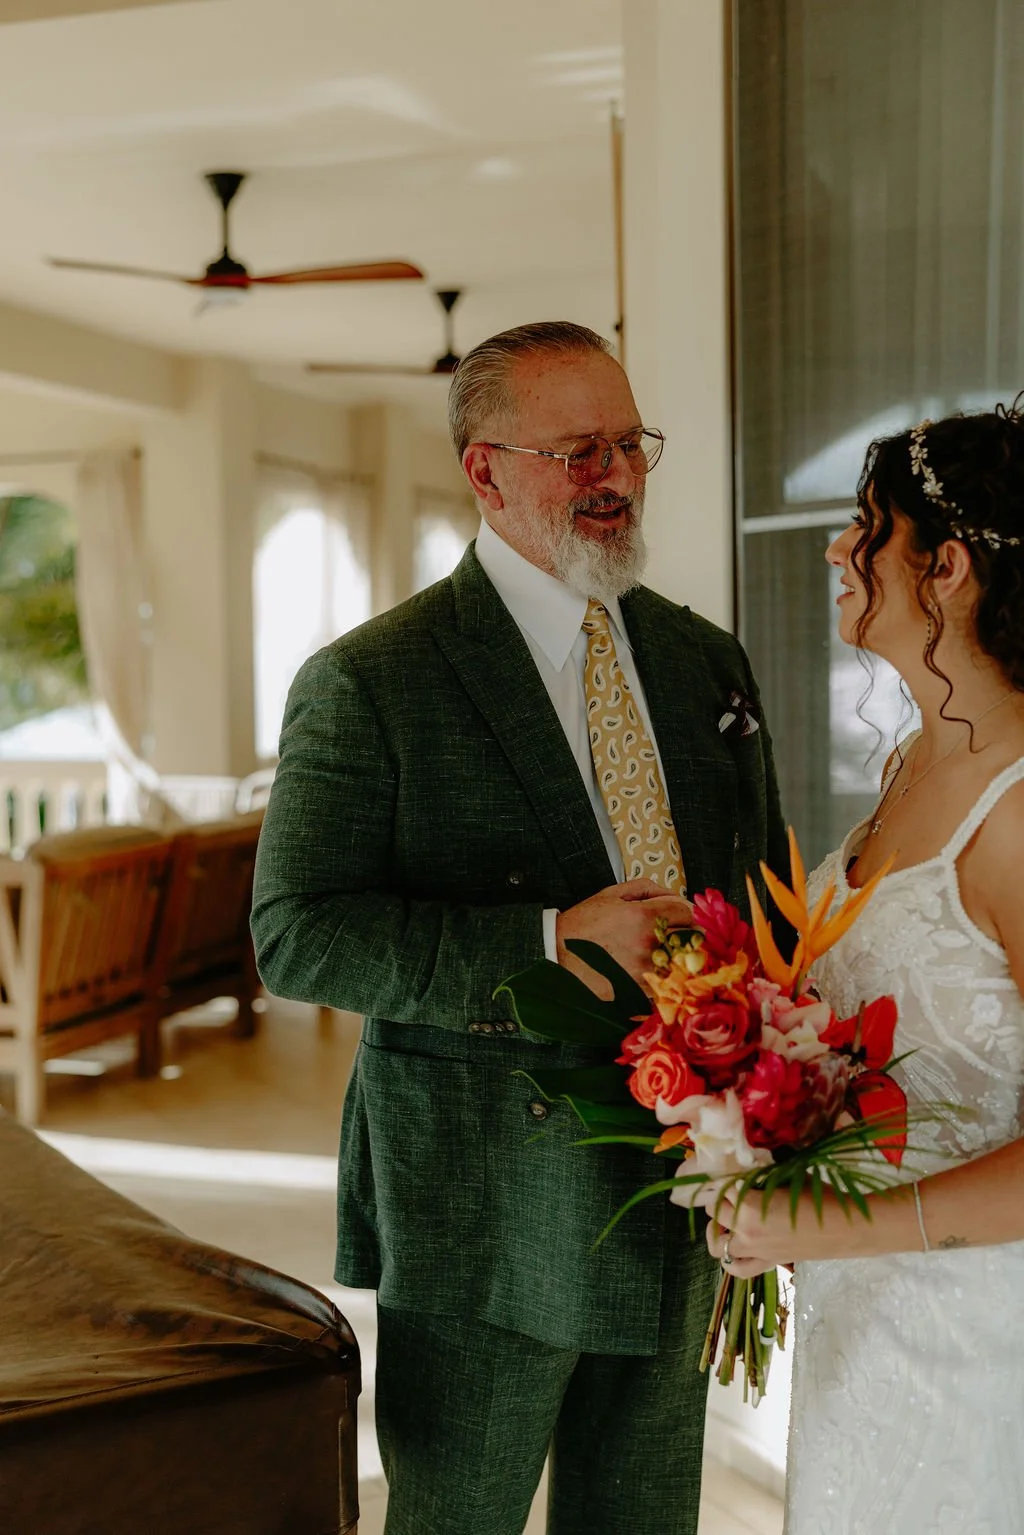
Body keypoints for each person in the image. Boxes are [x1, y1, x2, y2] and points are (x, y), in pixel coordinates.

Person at [251, 320, 788, 1535]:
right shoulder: (371, 677)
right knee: (457, 1518)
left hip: (685, 1183)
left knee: (645, 1518)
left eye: (629, 443)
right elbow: (295, 933)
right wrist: (546, 942)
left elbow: (759, 903)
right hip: (485, 1203)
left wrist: (770, 1123)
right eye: (576, 449)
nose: (614, 474)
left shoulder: (707, 662)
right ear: (485, 471)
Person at [706, 404, 1024, 1533]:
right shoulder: (910, 757)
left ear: (946, 568)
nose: (838, 549)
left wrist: (831, 1227)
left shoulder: (1020, 809)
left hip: (985, 1343)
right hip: (866, 1327)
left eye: (862, 526)